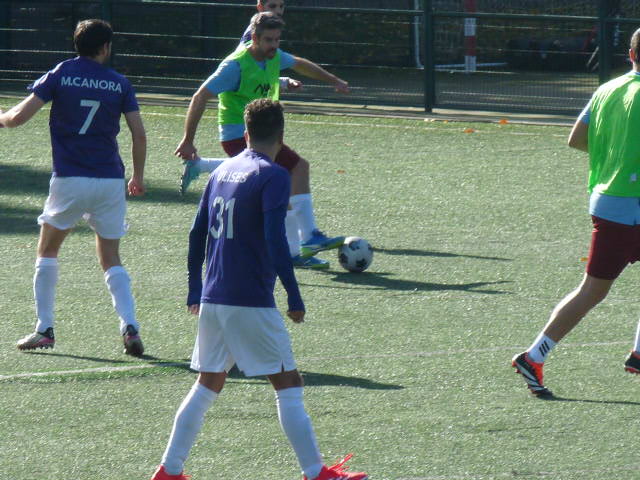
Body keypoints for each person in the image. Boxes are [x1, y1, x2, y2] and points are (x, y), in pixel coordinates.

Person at [149, 99, 367, 480]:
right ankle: (315, 473)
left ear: (245, 134)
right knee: (288, 382)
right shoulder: (274, 175)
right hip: (249, 299)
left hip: (214, 297)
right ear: (282, 136)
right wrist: (293, 295)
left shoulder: (222, 171)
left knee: (208, 383)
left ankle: (169, 470)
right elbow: (275, 239)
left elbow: (196, 234)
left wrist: (194, 289)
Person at [0, 19, 147, 356]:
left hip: (70, 178)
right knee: (111, 256)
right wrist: (137, 177)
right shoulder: (119, 83)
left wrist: (1, 116)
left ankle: (44, 328)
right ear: (106, 47)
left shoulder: (62, 73)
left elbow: (18, 117)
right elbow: (139, 134)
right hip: (110, 180)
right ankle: (129, 325)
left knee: (47, 250)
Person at [512, 28, 640, 397]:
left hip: (608, 200)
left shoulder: (607, 89)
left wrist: (615, 161)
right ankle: (534, 356)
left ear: (631, 54)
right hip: (632, 205)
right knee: (592, 290)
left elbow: (576, 139)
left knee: (592, 289)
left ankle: (638, 355)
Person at [177, 11, 349, 269]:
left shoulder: (274, 56)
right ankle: (301, 244)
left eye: (277, 40)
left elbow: (300, 63)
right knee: (286, 177)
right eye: (269, 40)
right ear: (254, 38)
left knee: (292, 173)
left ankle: (299, 245)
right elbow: (199, 96)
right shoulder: (234, 66)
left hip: (267, 134)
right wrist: (187, 139)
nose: (274, 45)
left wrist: (333, 80)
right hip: (240, 135)